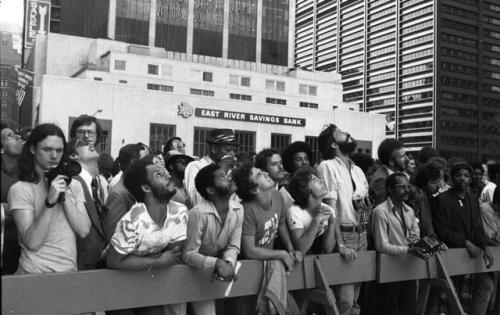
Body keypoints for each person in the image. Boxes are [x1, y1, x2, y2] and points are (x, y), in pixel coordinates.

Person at [107, 158, 186, 315]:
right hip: (119, 285)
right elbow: (115, 261)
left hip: (149, 280)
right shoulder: (132, 221)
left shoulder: (180, 211)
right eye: (159, 174)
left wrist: (136, 259)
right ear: (146, 187)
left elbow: (174, 252)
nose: (168, 175)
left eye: (165, 171)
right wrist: (157, 261)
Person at [7, 124, 91, 274]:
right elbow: (32, 242)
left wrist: (64, 195)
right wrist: (49, 203)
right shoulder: (21, 189)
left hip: (68, 272)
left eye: (59, 150)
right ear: (33, 149)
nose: (54, 156)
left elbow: (83, 230)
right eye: (47, 149)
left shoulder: (75, 186)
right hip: (34, 273)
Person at [231, 163, 302, 314]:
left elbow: (281, 223)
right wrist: (281, 254)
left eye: (261, 171)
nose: (264, 173)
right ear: (254, 189)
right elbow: (249, 251)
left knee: (291, 308)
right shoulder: (247, 210)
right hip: (248, 270)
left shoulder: (277, 196)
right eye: (259, 175)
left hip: (270, 267)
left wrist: (290, 249)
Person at [316, 124, 370, 315]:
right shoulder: (327, 166)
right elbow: (331, 210)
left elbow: (364, 204)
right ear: (333, 145)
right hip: (344, 237)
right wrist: (340, 244)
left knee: (355, 300)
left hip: (361, 236)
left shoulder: (358, 170)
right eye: (340, 133)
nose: (347, 133)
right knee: (344, 301)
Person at [432, 162, 495, 315]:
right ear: (452, 178)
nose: (462, 178)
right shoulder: (442, 199)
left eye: (466, 176)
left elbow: (477, 226)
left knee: (486, 286)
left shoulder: (473, 198)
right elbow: (441, 230)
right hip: (451, 252)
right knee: (450, 294)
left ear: (470, 179)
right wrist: (465, 242)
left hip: (473, 253)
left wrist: (485, 247)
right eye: (458, 175)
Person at [182, 164, 243, 315]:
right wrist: (217, 262)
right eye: (222, 177)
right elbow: (188, 254)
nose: (229, 178)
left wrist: (227, 262)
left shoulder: (238, 209)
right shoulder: (198, 213)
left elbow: (233, 245)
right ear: (211, 190)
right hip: (187, 272)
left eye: (227, 175)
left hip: (211, 274)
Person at [372, 173, 428, 315]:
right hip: (388, 268)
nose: (406, 190)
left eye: (407, 186)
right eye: (401, 187)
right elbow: (381, 246)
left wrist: (425, 245)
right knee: (388, 309)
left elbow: (415, 237)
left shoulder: (409, 210)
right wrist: (409, 250)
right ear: (390, 189)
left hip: (408, 267)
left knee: (409, 309)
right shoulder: (380, 211)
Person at [67, 138, 108, 270]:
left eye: (91, 143)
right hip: (79, 263)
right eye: (83, 144)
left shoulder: (98, 183)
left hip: (97, 261)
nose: (91, 144)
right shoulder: (70, 182)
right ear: (73, 155)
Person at [286, 167, 336, 255]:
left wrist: (331, 223)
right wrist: (316, 220)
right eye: (314, 180)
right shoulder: (294, 211)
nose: (321, 181)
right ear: (305, 188)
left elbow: (328, 249)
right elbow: (301, 250)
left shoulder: (328, 209)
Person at [184, 129, 237, 206]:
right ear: (214, 149)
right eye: (228, 150)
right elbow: (195, 200)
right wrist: (221, 168)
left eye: (234, 151)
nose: (232, 154)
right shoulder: (195, 166)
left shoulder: (231, 170)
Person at [104, 144, 142, 243]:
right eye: (145, 161)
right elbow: (112, 235)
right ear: (134, 163)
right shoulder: (118, 194)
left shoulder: (133, 188)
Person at [1, 122, 24, 274]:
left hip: (23, 238)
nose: (16, 137)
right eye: (9, 136)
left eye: (15, 134)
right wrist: (8, 208)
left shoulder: (28, 169)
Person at [370, 139, 408, 207]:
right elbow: (381, 211)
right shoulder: (381, 180)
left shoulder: (397, 172)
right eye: (402, 156)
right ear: (391, 162)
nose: (407, 158)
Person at [410, 164, 442, 238]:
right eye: (434, 183)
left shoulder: (427, 194)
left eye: (438, 182)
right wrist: (434, 240)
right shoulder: (420, 196)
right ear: (423, 183)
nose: (438, 186)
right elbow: (426, 223)